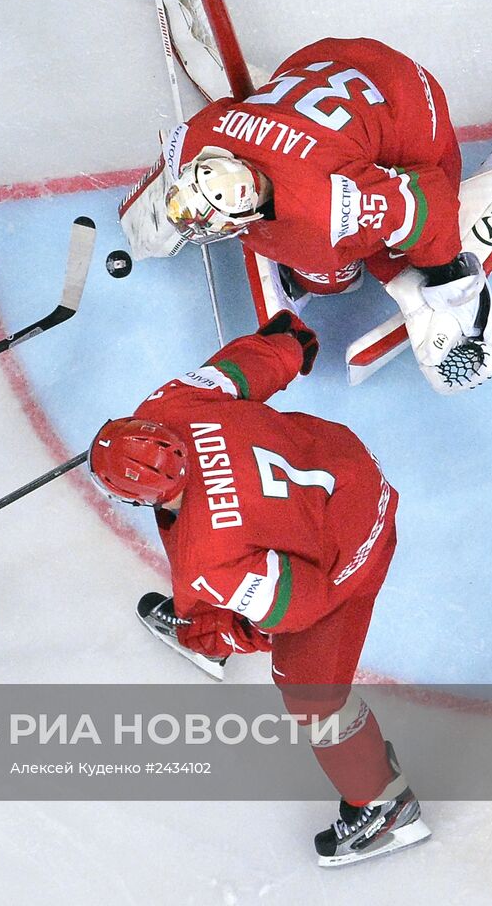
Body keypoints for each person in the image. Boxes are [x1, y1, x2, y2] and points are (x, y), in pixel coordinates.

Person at [88, 311, 429, 867]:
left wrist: (228, 628)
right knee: (208, 568)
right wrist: (288, 345)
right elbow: (238, 371)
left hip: (354, 549)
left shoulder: (210, 556)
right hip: (344, 464)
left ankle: (387, 806)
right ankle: (203, 627)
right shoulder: (165, 409)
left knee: (311, 694)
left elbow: (300, 607)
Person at [118, 37, 492, 392]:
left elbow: (429, 202)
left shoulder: (326, 207)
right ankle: (340, 258)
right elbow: (214, 129)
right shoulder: (203, 139)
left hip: (407, 102)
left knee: (341, 267)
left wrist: (442, 280)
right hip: (329, 62)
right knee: (328, 261)